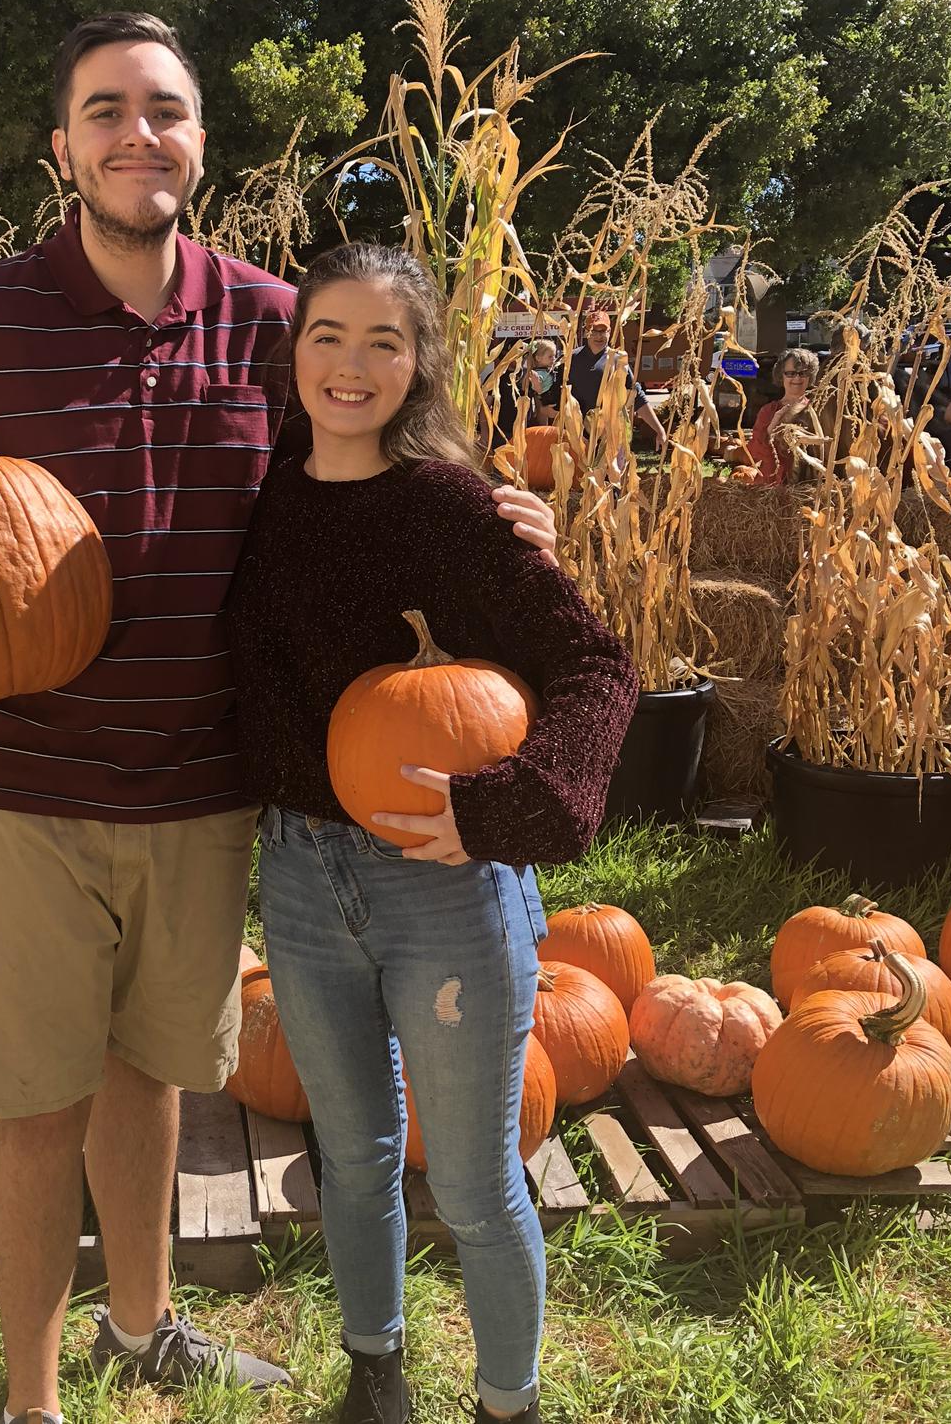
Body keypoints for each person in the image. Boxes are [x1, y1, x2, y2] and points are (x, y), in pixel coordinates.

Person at [0, 12, 560, 1424]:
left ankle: (142, 1331)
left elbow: (383, 455)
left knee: (151, 1086)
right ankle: (31, 1400)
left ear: (201, 138)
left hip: (202, 790)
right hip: (19, 787)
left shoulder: (270, 322)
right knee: (37, 1106)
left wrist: (500, 517)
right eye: (107, 110)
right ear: (62, 144)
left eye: (168, 109)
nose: (141, 133)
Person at [227, 244, 637, 1424]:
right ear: (292, 350)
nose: (351, 366)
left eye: (384, 343)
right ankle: (377, 1378)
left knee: (470, 1180)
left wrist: (504, 808)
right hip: (302, 877)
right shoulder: (262, 497)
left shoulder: (453, 508)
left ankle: (508, 1405)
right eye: (328, 336)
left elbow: (594, 667)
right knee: (350, 1157)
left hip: (442, 883)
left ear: (420, 366)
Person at [565, 310, 666, 450]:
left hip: (609, 436)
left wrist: (659, 430)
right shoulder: (572, 359)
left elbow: (636, 397)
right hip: (577, 436)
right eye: (594, 331)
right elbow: (558, 398)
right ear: (586, 331)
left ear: (610, 331)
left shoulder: (618, 360)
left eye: (603, 331)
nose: (599, 336)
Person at [745, 348, 818, 484]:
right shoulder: (768, 411)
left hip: (806, 487)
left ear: (810, 376)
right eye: (790, 373)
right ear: (781, 376)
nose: (797, 378)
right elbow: (754, 453)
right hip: (772, 486)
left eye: (803, 373)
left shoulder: (817, 411)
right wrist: (771, 429)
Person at [492, 337, 560, 446]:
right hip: (502, 432)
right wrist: (486, 435)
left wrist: (544, 429)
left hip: (525, 430)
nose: (516, 359)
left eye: (520, 355)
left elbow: (539, 404)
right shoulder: (496, 378)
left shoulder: (529, 375)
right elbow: (485, 405)